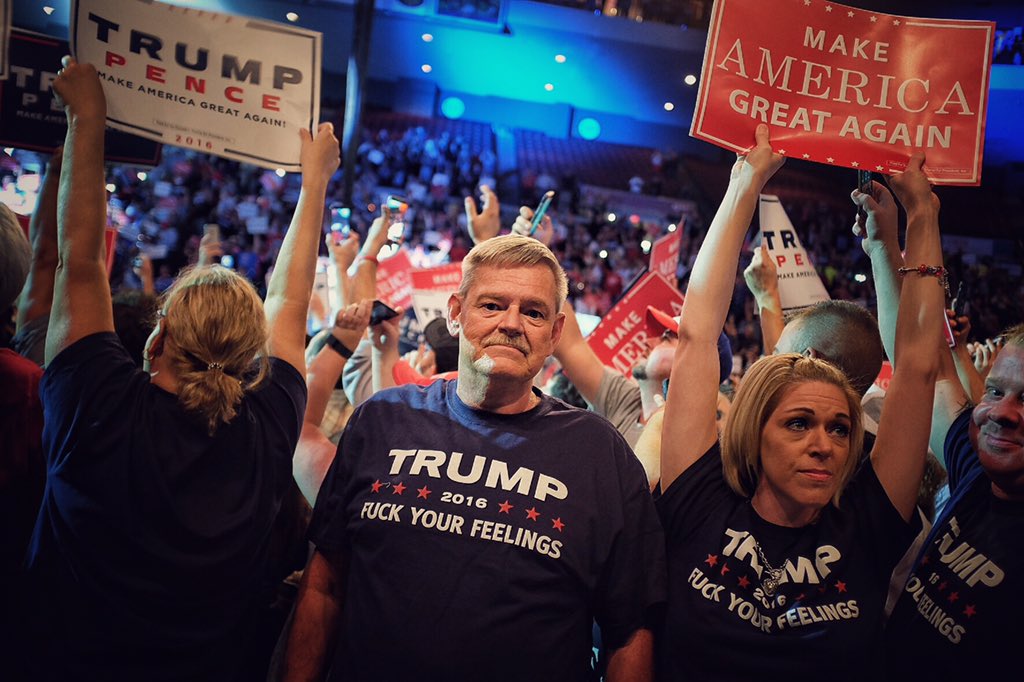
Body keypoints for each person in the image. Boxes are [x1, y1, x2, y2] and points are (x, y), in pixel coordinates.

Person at [14, 58, 350, 681]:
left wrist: (86, 119)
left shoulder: (97, 401)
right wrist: (314, 185)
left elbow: (78, 262)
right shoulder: (264, 431)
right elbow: (291, 303)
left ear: (158, 335)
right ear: (252, 362)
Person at [283, 234, 666, 681]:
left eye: (534, 312)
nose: (511, 323)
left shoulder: (600, 453)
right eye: (491, 305)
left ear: (556, 332)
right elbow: (324, 584)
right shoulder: (381, 420)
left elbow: (630, 629)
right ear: (455, 313)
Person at [656, 128, 944, 680]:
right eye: (798, 423)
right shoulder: (700, 499)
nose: (824, 444)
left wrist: (924, 218)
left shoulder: (868, 523)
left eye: (840, 429)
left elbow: (917, 370)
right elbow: (696, 334)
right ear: (755, 430)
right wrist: (745, 183)